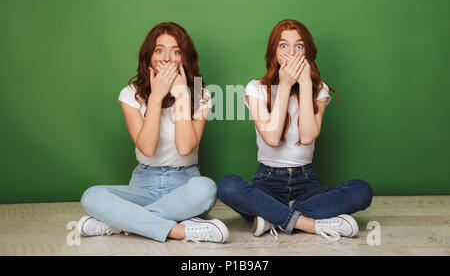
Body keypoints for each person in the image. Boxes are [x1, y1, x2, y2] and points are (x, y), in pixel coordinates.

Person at [217, 19, 373, 242]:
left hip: (306, 183)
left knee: (362, 190)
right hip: (267, 182)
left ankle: (271, 215)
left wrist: (306, 83)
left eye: (298, 46)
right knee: (228, 186)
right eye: (283, 46)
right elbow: (271, 137)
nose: (291, 52)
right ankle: (306, 223)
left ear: (307, 52)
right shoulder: (256, 89)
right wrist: (285, 85)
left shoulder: (319, 90)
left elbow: (307, 136)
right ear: (273, 52)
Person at [77, 22, 228, 243]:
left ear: (185, 59)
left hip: (185, 184)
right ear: (149, 57)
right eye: (159, 50)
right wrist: (156, 98)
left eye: (176, 51)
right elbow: (147, 148)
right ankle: (178, 229)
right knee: (92, 196)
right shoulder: (130, 95)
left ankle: (122, 223)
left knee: (207, 188)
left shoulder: (201, 94)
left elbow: (185, 148)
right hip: (143, 184)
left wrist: (182, 96)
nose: (167, 58)